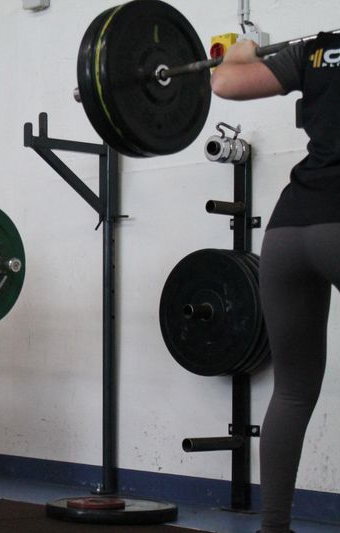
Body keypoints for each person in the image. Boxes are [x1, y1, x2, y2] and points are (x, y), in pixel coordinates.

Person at [211, 34, 340, 533]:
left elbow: (225, 81)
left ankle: (273, 527)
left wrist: (241, 48)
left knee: (292, 392)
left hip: (288, 231)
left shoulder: (317, 50)